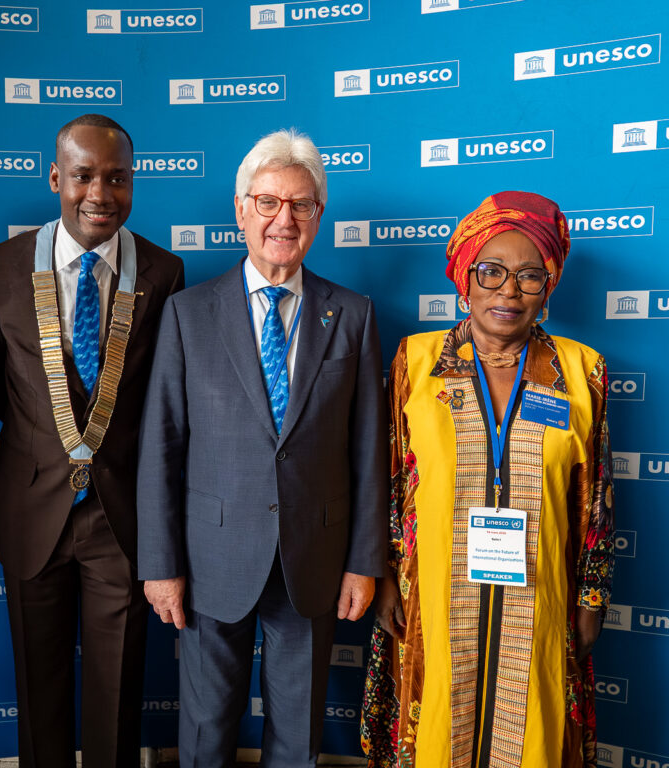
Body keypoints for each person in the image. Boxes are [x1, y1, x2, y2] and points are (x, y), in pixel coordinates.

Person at [137, 129, 389, 767]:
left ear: (319, 217)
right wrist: (160, 564)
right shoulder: (188, 313)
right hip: (209, 560)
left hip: (314, 560)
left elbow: (368, 450)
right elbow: (161, 446)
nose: (285, 219)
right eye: (269, 202)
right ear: (241, 209)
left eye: (301, 205)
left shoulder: (352, 314)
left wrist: (364, 560)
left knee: (297, 739)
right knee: (203, 735)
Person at [360, 191, 615, 768]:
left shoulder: (581, 370)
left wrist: (592, 597)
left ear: (548, 287)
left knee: (533, 733)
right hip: (431, 594)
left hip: (542, 593)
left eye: (530, 276)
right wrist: (383, 577)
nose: (508, 290)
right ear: (464, 277)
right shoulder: (415, 361)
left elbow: (597, 497)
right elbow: (388, 480)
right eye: (492, 271)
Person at [0, 113, 184, 768]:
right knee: (40, 686)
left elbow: (161, 394)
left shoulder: (165, 272)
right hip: (34, 505)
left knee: (118, 688)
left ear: (133, 183)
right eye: (84, 176)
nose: (100, 193)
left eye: (117, 178)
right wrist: (52, 438)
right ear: (56, 177)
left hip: (122, 515)